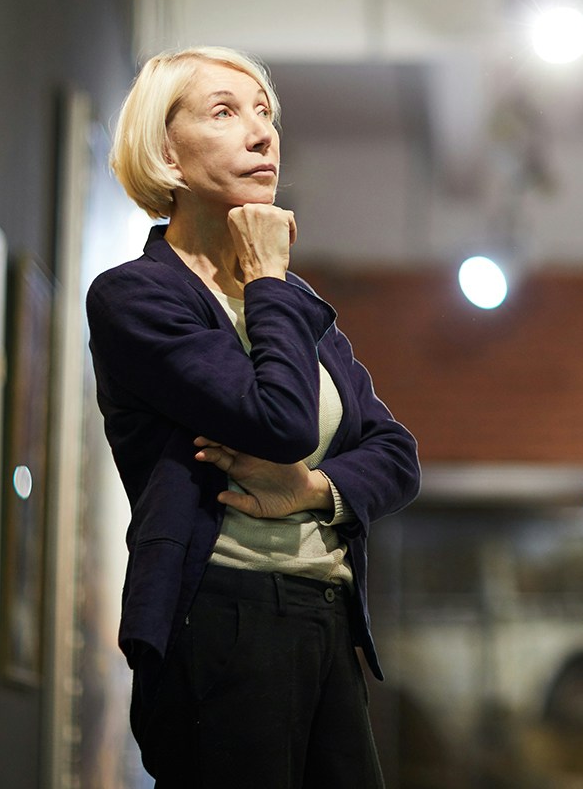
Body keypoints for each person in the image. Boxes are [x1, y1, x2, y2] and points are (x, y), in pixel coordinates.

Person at [86, 46, 420, 788]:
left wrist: (311, 494)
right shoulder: (137, 297)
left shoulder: (292, 309)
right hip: (221, 619)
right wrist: (267, 277)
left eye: (265, 114)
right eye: (225, 112)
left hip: (325, 618)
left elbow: (396, 454)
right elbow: (280, 422)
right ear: (164, 148)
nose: (262, 133)